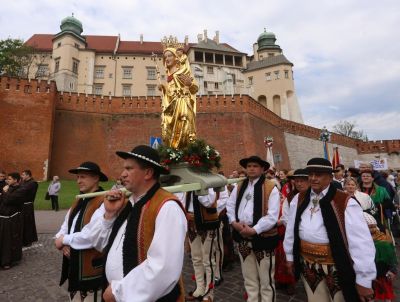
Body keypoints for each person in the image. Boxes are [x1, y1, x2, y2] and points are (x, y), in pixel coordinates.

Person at [61, 145, 187, 302]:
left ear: (148, 173)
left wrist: (119, 291)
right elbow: (101, 245)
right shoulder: (128, 205)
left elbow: (163, 267)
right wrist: (109, 215)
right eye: (123, 169)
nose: (122, 175)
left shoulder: (166, 207)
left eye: (129, 169)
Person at [284, 158, 376, 302]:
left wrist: (364, 279)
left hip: (336, 266)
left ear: (330, 176)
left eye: (319, 174)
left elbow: (361, 243)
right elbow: (291, 228)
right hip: (307, 264)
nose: (313, 178)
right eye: (311, 174)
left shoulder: (345, 202)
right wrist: (290, 256)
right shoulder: (299, 198)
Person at [227, 155, 280, 302]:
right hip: (242, 235)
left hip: (263, 238)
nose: (251, 168)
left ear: (263, 169)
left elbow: (272, 216)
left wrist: (254, 229)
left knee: (266, 280)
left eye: (255, 166)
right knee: (249, 277)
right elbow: (230, 206)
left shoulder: (271, 187)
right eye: (249, 166)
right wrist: (233, 222)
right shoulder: (239, 186)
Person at [55, 161, 108, 301]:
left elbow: (92, 236)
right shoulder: (78, 200)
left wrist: (64, 240)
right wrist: (61, 240)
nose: (78, 181)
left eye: (83, 177)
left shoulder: (104, 201)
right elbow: (65, 226)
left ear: (96, 178)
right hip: (74, 268)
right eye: (78, 177)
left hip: (92, 270)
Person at [182, 186, 225, 302]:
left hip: (206, 224)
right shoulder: (187, 183)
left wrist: (198, 185)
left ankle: (209, 293)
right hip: (191, 223)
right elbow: (181, 200)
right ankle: (200, 288)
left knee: (208, 259)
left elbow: (208, 202)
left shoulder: (207, 182)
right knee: (196, 258)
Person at [275, 168, 309, 295]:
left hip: (308, 238)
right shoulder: (290, 198)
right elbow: (285, 217)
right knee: (286, 258)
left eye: (302, 181)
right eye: (297, 181)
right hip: (292, 234)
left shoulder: (315, 197)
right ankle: (288, 280)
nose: (299, 184)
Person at [159, 40, 198, 149]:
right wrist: (164, 88)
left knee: (184, 130)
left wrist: (189, 85)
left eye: (169, 56)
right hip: (170, 108)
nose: (167, 59)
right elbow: (170, 92)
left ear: (176, 57)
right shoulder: (169, 76)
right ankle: (172, 151)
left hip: (181, 106)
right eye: (165, 57)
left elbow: (195, 88)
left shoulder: (181, 72)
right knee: (167, 128)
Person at [0, 172, 24, 269]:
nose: (7, 181)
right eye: (7, 179)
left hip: (12, 219)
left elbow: (9, 200)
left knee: (8, 241)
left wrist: (3, 192)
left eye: (9, 179)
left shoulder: (21, 190)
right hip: (3, 217)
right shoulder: (8, 188)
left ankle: (7, 261)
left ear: (16, 180)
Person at [20, 169, 38, 247]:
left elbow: (23, 190)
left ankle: (28, 240)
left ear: (28, 175)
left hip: (28, 205)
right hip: (23, 205)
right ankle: (23, 239)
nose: (22, 176)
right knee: (23, 223)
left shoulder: (33, 183)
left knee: (28, 223)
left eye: (23, 175)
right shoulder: (24, 182)